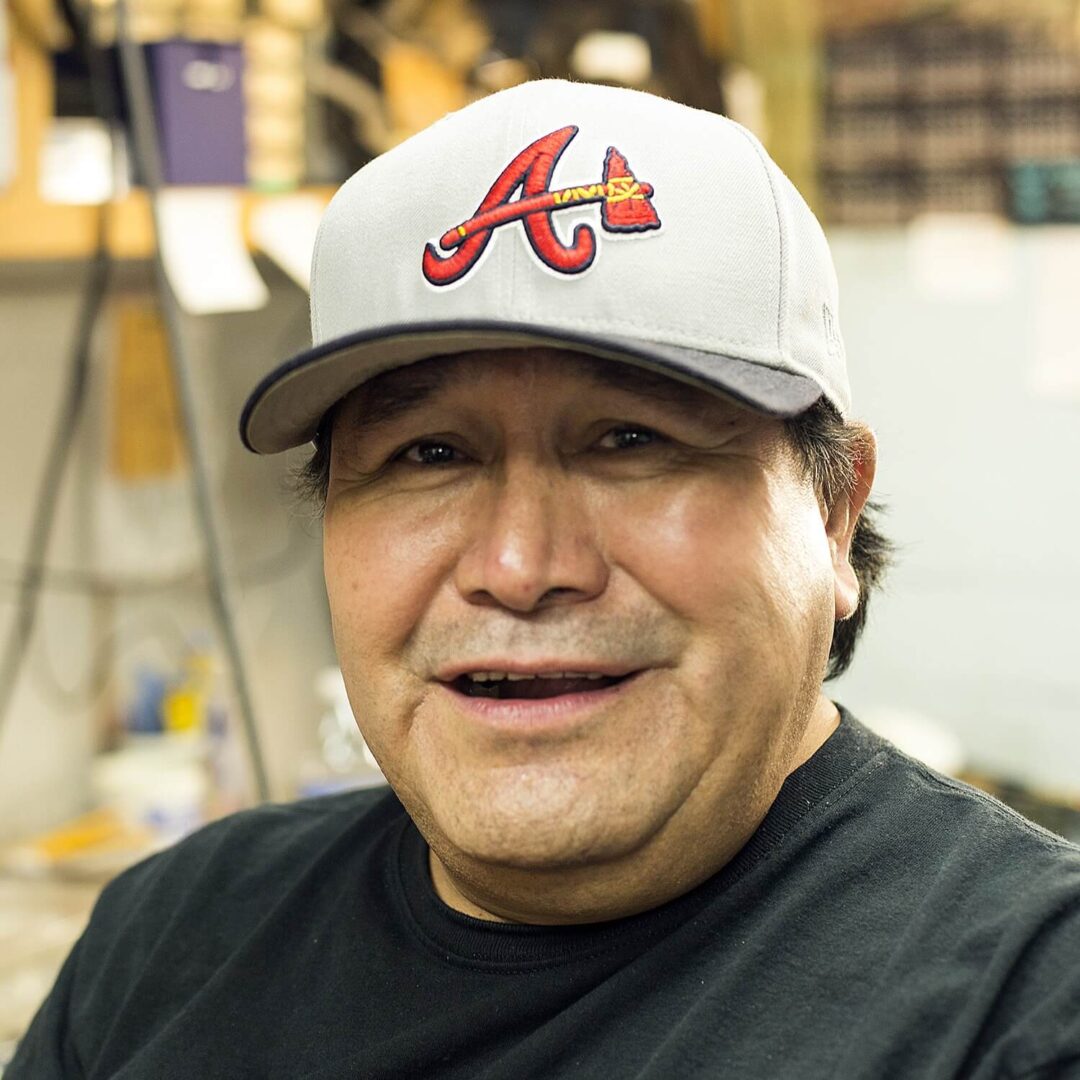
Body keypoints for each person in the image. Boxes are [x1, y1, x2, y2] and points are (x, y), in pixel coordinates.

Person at [9, 79, 1080, 1080]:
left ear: (835, 514)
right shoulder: (170, 940)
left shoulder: (1024, 1005)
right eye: (430, 454)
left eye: (629, 440)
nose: (521, 568)